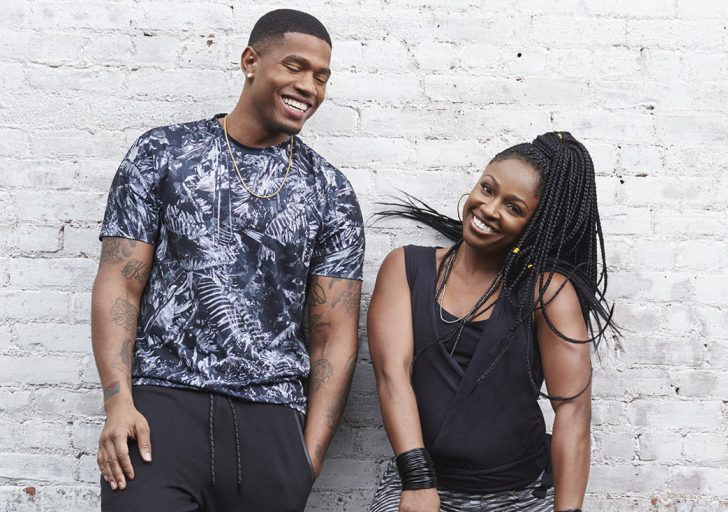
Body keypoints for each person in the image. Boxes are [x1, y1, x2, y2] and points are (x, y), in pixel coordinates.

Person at [91, 9, 365, 512]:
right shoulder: (162, 153)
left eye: (321, 77)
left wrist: (308, 457)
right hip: (161, 412)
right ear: (250, 61)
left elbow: (335, 333)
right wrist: (118, 401)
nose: (309, 87)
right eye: (295, 67)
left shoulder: (331, 191)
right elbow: (120, 283)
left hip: (271, 423)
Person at [367, 132, 616, 512]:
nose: (489, 208)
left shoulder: (547, 292)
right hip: (424, 481)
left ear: (533, 224)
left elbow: (573, 411)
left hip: (522, 494)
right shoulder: (406, 268)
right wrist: (417, 480)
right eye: (487, 188)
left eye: (513, 208)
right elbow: (391, 375)